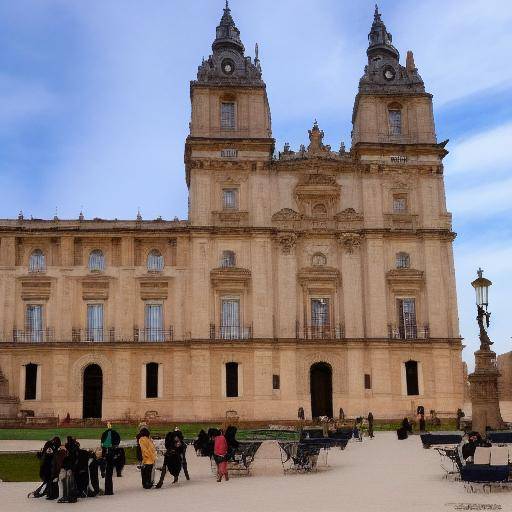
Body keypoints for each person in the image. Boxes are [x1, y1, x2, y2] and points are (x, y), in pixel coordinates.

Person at [100, 422, 121, 495]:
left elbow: (103, 445)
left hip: (107, 454)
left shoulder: (105, 434)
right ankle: (109, 490)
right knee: (109, 473)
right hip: (111, 455)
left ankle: (108, 490)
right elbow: (117, 444)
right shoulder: (114, 434)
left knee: (107, 473)